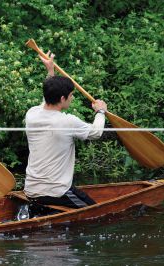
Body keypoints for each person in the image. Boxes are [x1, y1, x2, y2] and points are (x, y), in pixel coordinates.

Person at [24, 51, 107, 209]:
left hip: (31, 191)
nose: (72, 98)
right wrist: (101, 112)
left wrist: (50, 72)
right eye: (70, 95)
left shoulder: (32, 114)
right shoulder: (68, 121)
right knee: (98, 213)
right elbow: (96, 133)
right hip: (57, 192)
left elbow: (47, 97)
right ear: (62, 99)